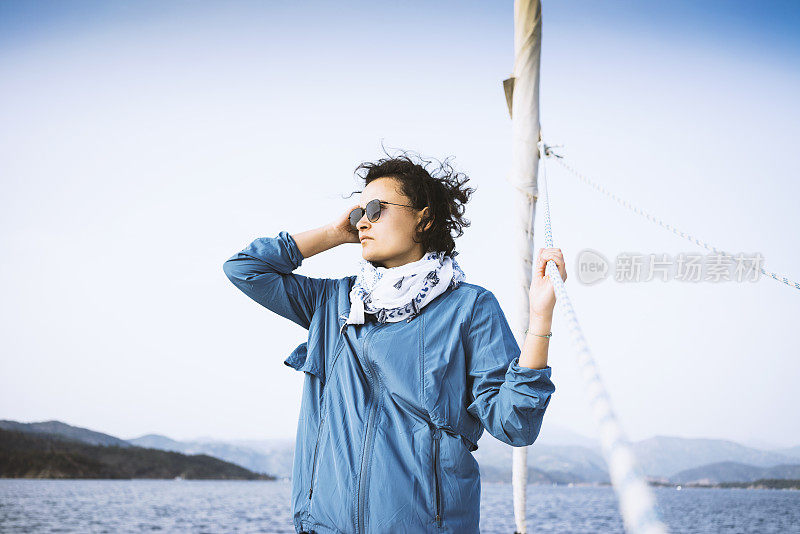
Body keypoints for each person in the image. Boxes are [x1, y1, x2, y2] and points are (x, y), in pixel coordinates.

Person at [223, 150, 566, 534]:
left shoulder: (469, 307)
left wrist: (540, 318)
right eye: (358, 214)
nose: (363, 222)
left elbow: (515, 423)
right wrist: (336, 233)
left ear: (425, 218)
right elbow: (244, 269)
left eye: (375, 208)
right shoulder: (333, 302)